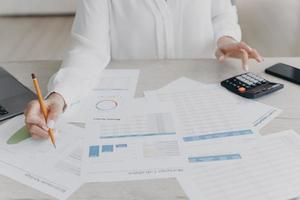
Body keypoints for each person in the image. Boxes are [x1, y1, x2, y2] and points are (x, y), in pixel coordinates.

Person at [24, 0, 263, 139]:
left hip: (201, 94)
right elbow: (88, 49)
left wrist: (225, 38)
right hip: (131, 106)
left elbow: (221, 13)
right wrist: (59, 95)